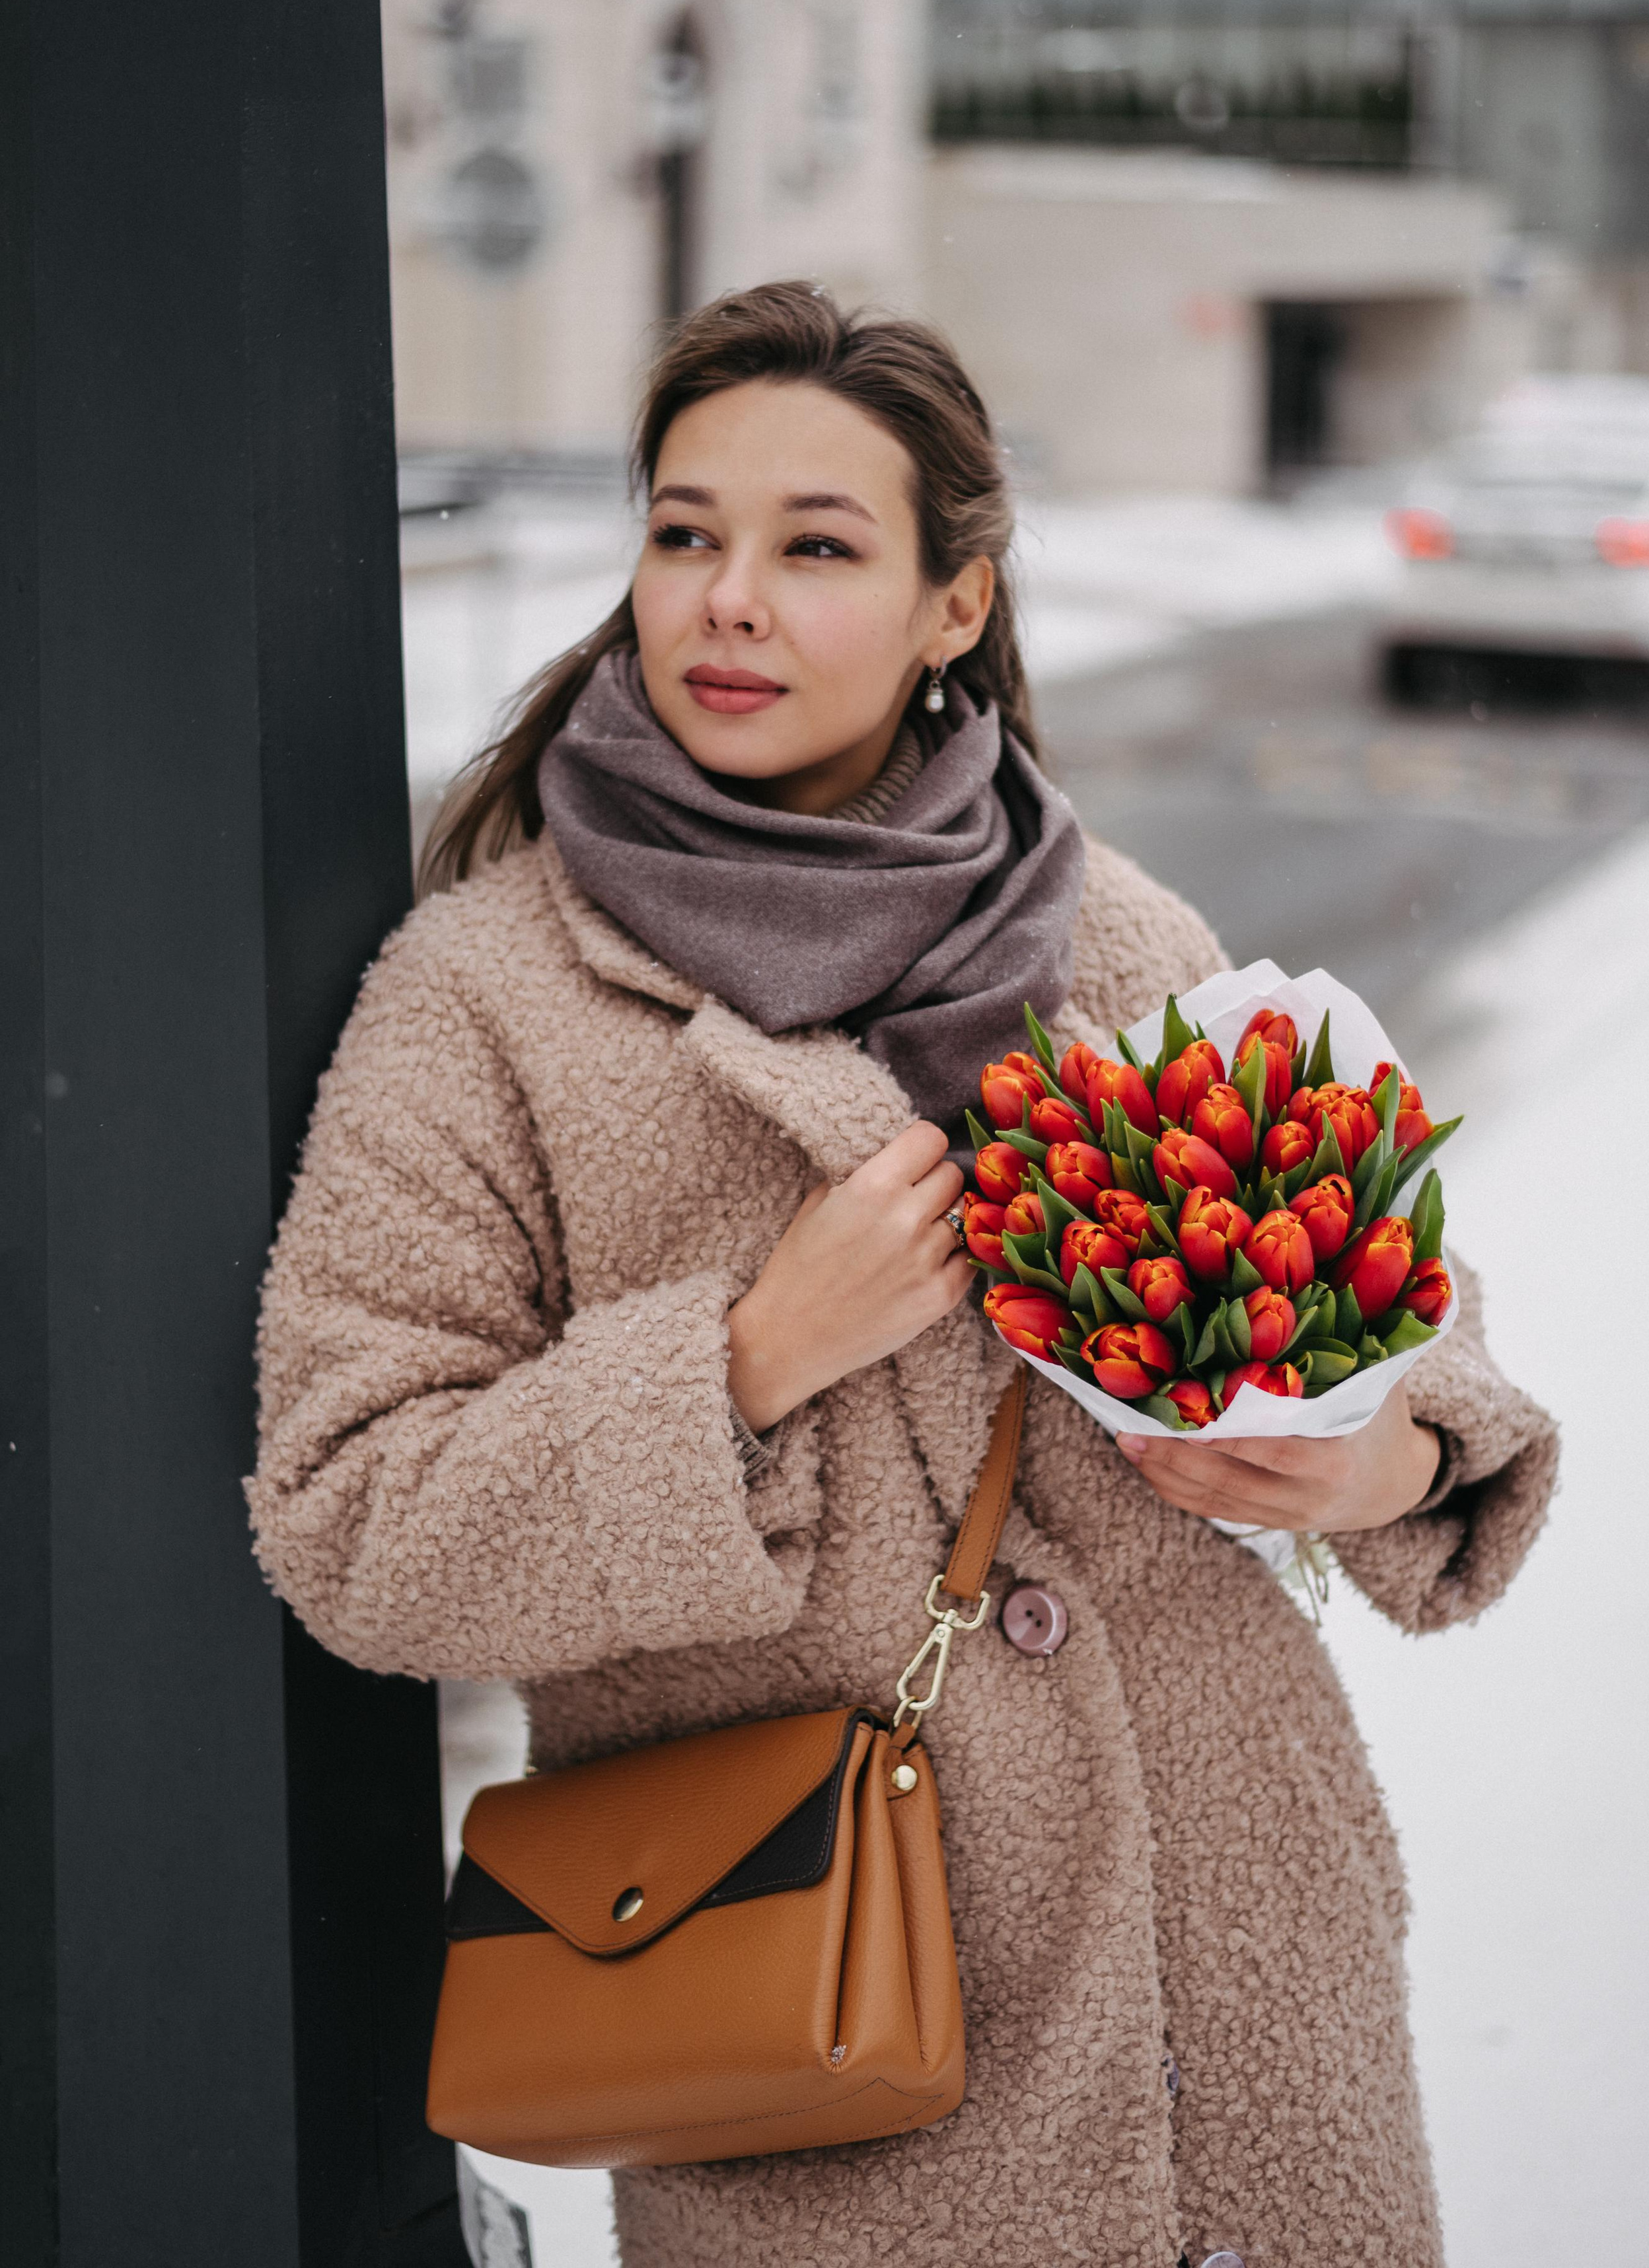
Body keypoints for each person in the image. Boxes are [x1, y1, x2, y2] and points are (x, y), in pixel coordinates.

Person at [248, 281, 1556, 2268]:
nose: (727, 602)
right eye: (684, 534)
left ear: (960, 601)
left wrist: (1378, 1462)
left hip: (1249, 2013)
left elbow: (1394, 1292)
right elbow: (350, 1522)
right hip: (829, 2057)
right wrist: (747, 1366)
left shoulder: (1108, 929)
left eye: (816, 546)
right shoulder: (487, 1001)